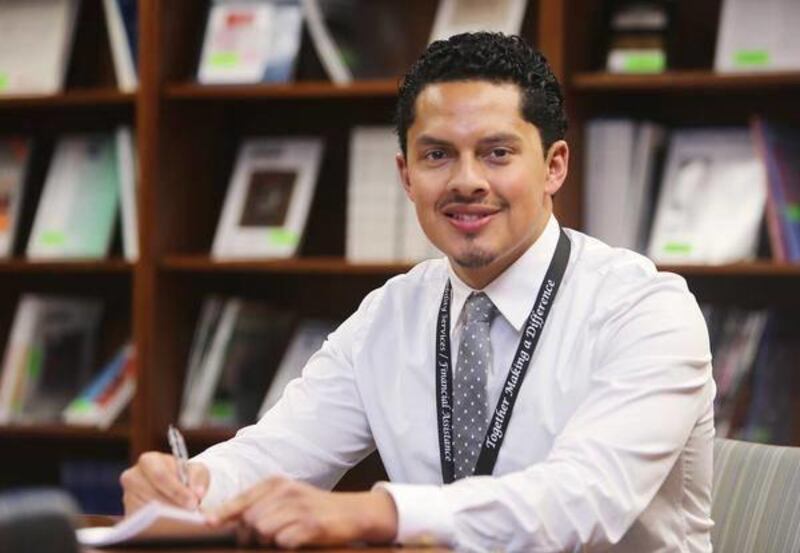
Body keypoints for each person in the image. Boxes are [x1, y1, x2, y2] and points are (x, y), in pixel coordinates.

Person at [120, 32, 715, 552]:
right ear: (407, 175)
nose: (466, 181)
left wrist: (379, 512)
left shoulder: (647, 310)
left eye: (497, 153)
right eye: (437, 155)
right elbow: (275, 452)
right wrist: (191, 486)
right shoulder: (391, 314)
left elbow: (584, 498)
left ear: (554, 166)